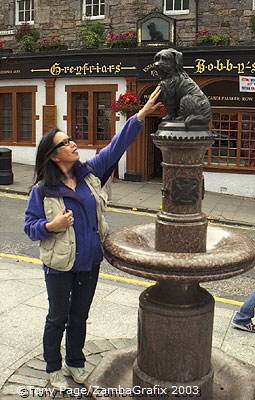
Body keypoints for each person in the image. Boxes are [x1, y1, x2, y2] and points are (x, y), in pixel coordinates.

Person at [24, 87, 162, 391]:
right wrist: (51, 225)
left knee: (79, 316)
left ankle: (75, 362)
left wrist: (140, 116)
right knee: (57, 317)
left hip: (89, 261)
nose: (73, 144)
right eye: (66, 142)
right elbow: (30, 227)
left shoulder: (89, 174)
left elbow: (116, 147)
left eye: (72, 140)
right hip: (59, 264)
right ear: (54, 154)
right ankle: (52, 368)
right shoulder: (41, 191)